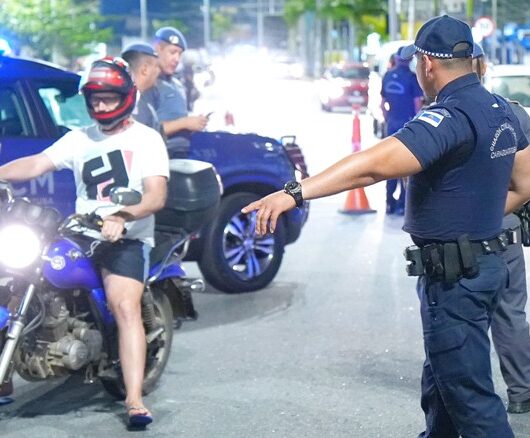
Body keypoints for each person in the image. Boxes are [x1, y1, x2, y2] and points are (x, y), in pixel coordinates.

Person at [242, 15, 530, 437]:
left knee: (472, 402)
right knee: (442, 387)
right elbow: (523, 184)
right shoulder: (504, 110)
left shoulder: (448, 118)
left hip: (455, 281)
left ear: (427, 65)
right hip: (485, 267)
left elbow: (372, 167)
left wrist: (294, 192)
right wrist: (476, 218)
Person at [0, 57, 169, 427]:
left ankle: (134, 398)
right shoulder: (80, 138)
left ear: (125, 96)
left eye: (108, 98)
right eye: (94, 99)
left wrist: (122, 217)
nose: (100, 106)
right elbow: (37, 163)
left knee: (124, 306)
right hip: (80, 232)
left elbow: (156, 195)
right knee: (16, 282)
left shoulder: (146, 138)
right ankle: (5, 379)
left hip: (127, 237)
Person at [473, 42, 530, 414]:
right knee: (511, 313)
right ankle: (522, 392)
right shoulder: (516, 114)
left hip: (467, 231)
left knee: (465, 319)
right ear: (484, 67)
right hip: (506, 223)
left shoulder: (443, 118)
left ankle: (471, 401)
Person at [148, 26, 209, 158]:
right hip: (162, 156)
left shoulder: (177, 85)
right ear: (158, 49)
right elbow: (146, 132)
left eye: (179, 54)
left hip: (185, 153)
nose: (177, 59)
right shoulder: (148, 84)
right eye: (173, 52)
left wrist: (195, 123)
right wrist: (185, 123)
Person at [381, 46, 424, 215]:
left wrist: (388, 118)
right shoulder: (412, 78)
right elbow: (417, 104)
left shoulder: (388, 75)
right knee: (405, 167)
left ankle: (389, 203)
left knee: (389, 165)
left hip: (391, 124)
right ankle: (402, 204)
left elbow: (382, 103)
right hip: (407, 126)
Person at [121, 42, 161, 134]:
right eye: (156, 66)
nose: (159, 71)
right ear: (144, 70)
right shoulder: (132, 104)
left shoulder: (138, 100)